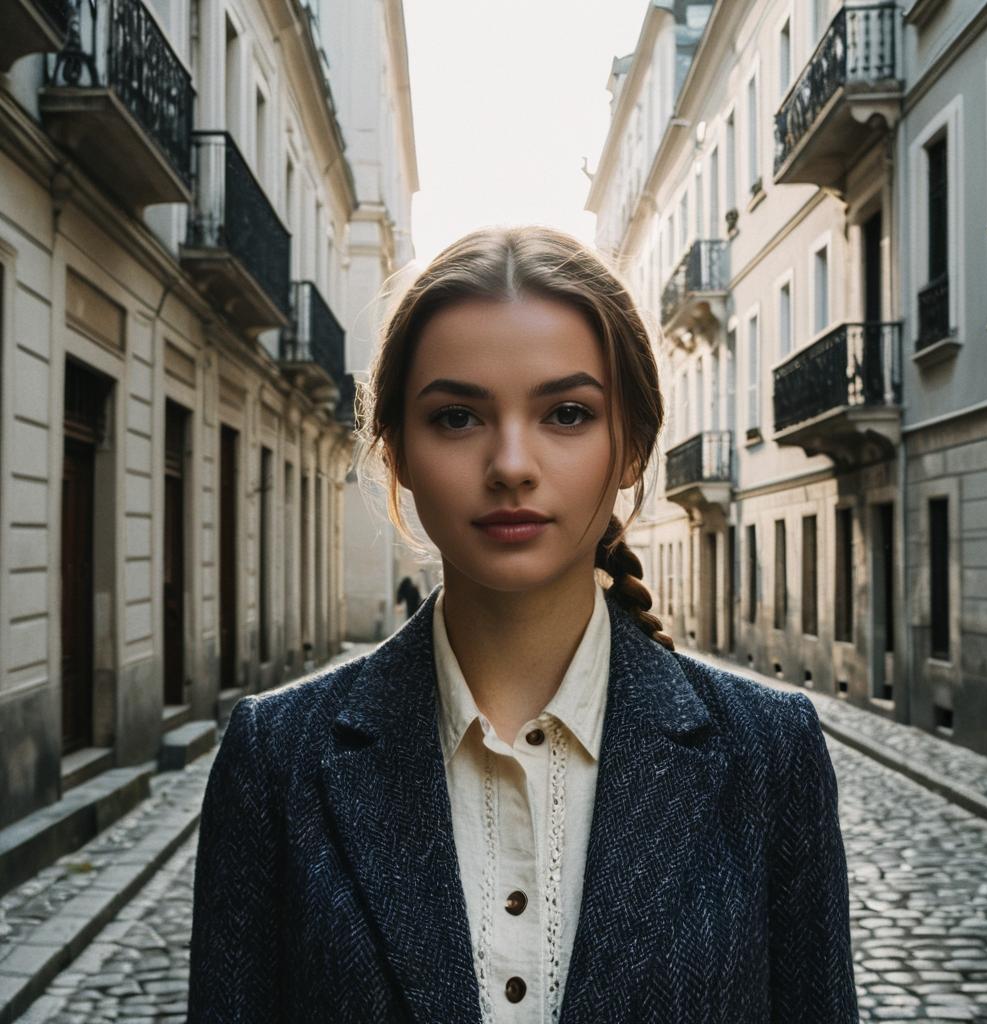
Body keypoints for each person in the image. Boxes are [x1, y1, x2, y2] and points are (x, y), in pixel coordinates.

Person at [186, 226, 859, 1023]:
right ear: (396, 452)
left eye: (567, 413)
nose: (511, 463)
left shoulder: (769, 753)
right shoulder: (277, 760)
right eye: (458, 418)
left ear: (633, 448)